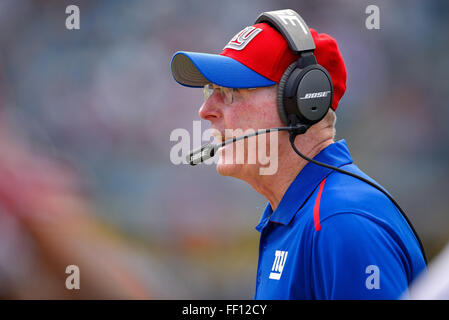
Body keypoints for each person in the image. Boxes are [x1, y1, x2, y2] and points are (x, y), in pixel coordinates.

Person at [170, 10, 426, 299]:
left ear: (302, 102)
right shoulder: (304, 216)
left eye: (231, 92)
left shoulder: (340, 222)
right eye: (210, 91)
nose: (205, 111)